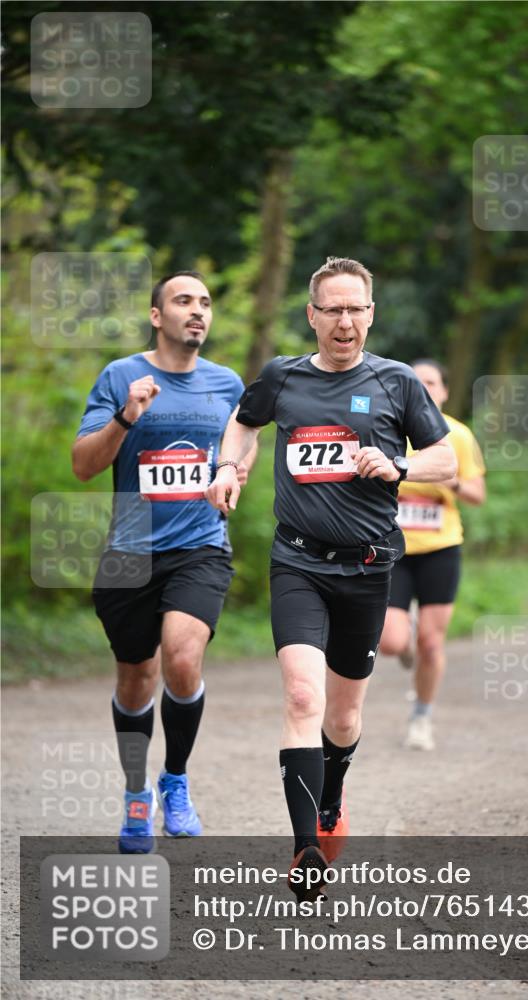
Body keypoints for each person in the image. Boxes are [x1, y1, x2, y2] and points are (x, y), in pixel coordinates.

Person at [206, 256, 457, 899]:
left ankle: (333, 792)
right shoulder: (282, 378)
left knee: (342, 719)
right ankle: (305, 848)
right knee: (300, 699)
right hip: (297, 562)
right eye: (333, 309)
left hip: (369, 568)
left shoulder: (398, 382)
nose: (345, 322)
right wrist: (230, 468)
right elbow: (244, 423)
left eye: (356, 310)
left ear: (371, 315)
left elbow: (447, 459)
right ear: (312, 315)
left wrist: (398, 463)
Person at [73, 271, 250, 852]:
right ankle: (135, 792)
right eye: (183, 301)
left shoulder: (226, 383)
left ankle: (174, 778)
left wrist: (231, 469)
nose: (197, 311)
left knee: (181, 654)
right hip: (129, 555)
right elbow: (82, 465)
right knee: (135, 678)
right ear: (157, 315)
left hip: (200, 548)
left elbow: (241, 441)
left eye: (204, 303)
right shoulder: (121, 376)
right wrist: (126, 416)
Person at [379, 360, 486, 750]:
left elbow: (477, 495)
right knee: (391, 641)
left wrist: (448, 478)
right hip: (395, 548)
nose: (423, 388)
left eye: (431, 382)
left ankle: (421, 717)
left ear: (442, 391)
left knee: (431, 642)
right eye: (416, 381)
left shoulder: (457, 434)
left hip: (441, 549)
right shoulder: (389, 428)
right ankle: (404, 636)